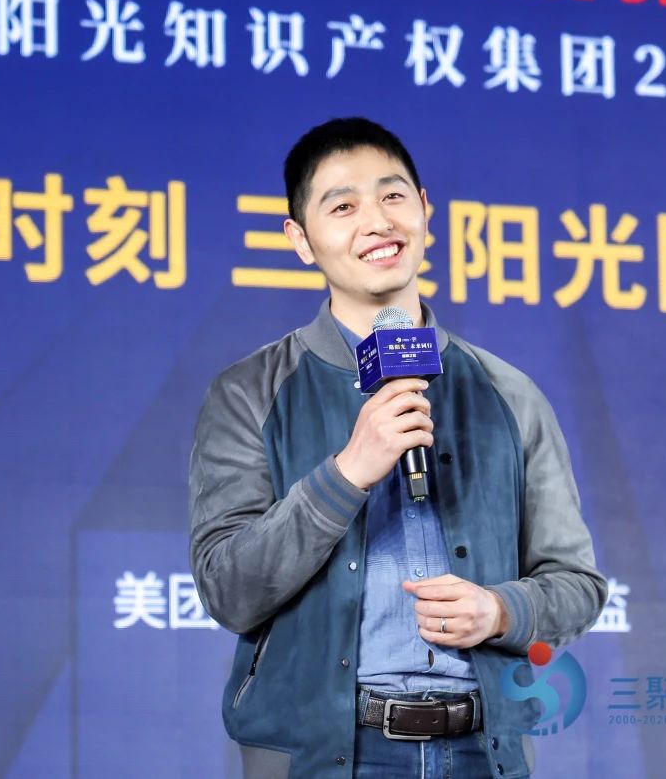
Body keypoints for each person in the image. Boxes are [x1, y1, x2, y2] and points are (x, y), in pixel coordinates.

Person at [189, 117, 607, 778]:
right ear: (300, 239)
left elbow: (577, 584)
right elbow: (229, 589)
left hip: (483, 752)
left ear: (425, 210)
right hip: (326, 758)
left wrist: (500, 610)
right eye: (343, 206)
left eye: (392, 196)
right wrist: (348, 472)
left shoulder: (509, 393)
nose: (377, 221)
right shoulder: (250, 392)